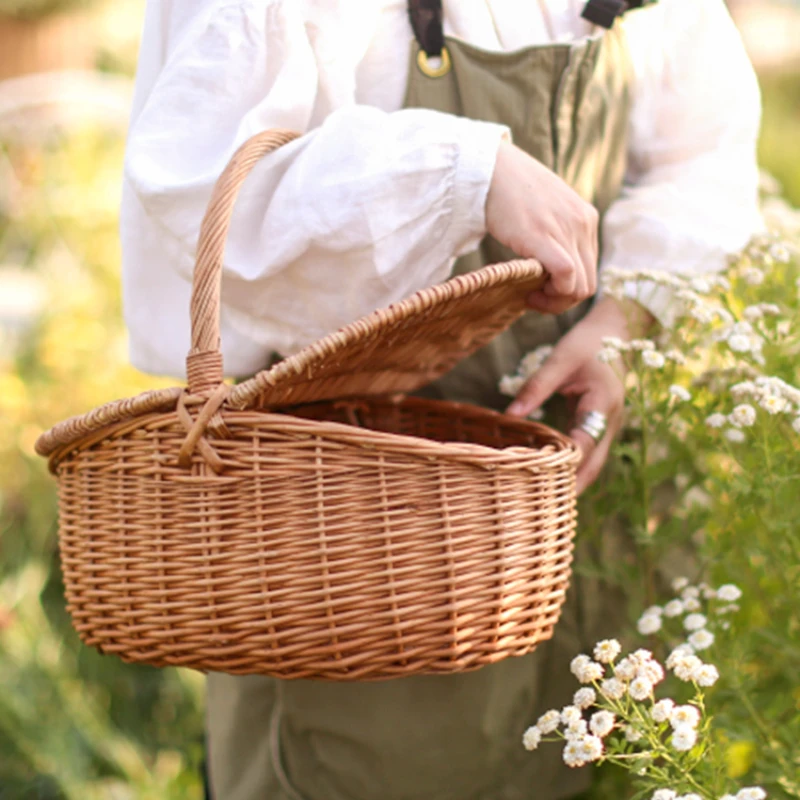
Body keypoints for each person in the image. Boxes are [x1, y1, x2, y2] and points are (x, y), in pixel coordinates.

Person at [120, 1, 762, 798]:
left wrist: (622, 321)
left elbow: (704, 147)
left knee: (612, 756)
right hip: (371, 540)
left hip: (593, 499)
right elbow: (199, 182)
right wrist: (464, 175)